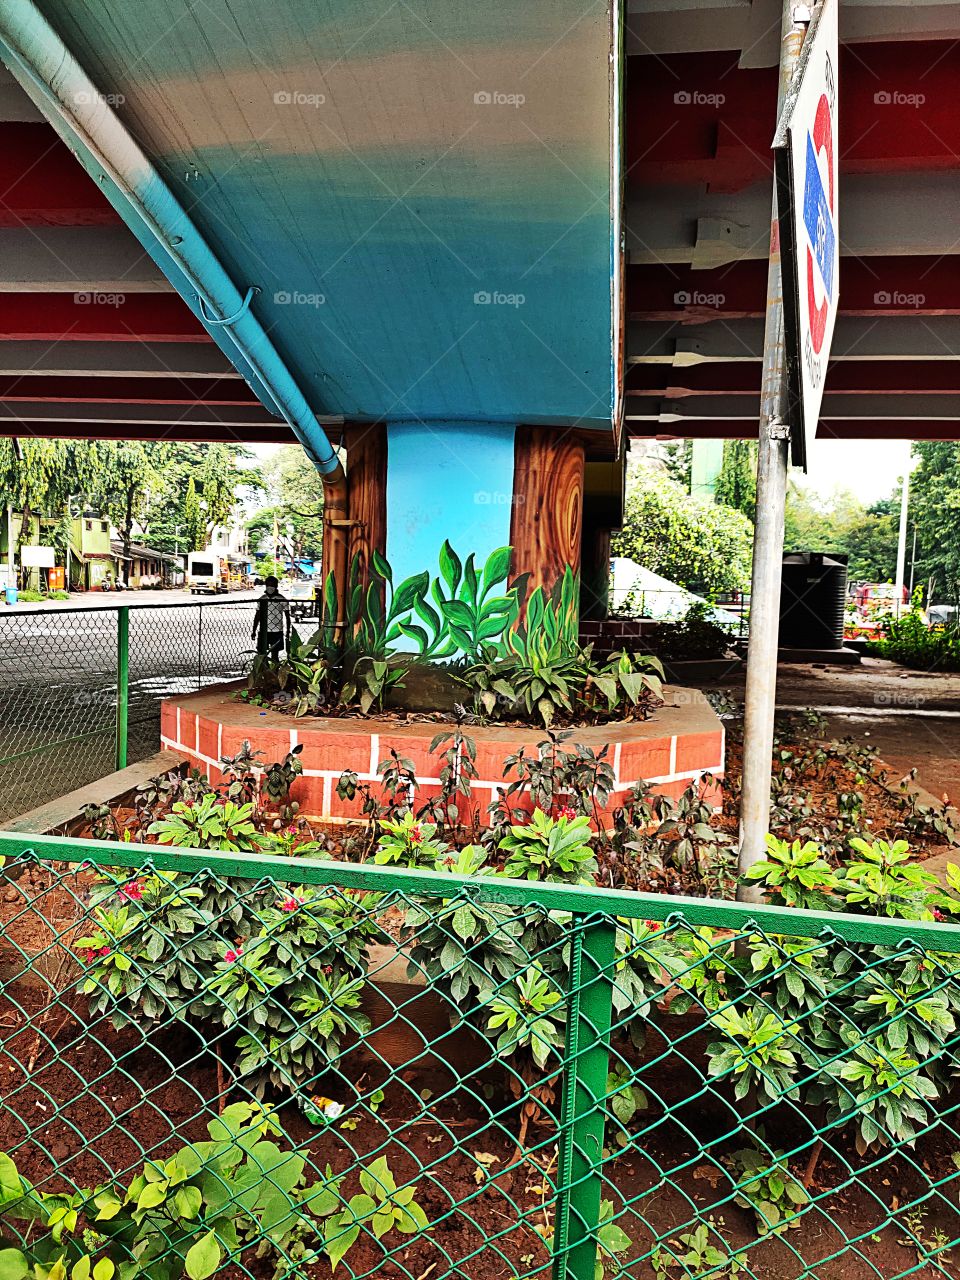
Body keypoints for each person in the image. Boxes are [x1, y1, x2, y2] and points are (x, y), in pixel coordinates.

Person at [251, 576, 291, 659]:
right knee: (261, 654)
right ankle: (264, 667)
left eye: (272, 585)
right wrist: (254, 630)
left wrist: (288, 631)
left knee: (275, 654)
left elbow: (287, 617)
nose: (270, 587)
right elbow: (257, 616)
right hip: (264, 630)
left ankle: (274, 667)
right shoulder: (262, 599)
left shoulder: (281, 599)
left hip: (277, 630)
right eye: (268, 585)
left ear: (276, 586)